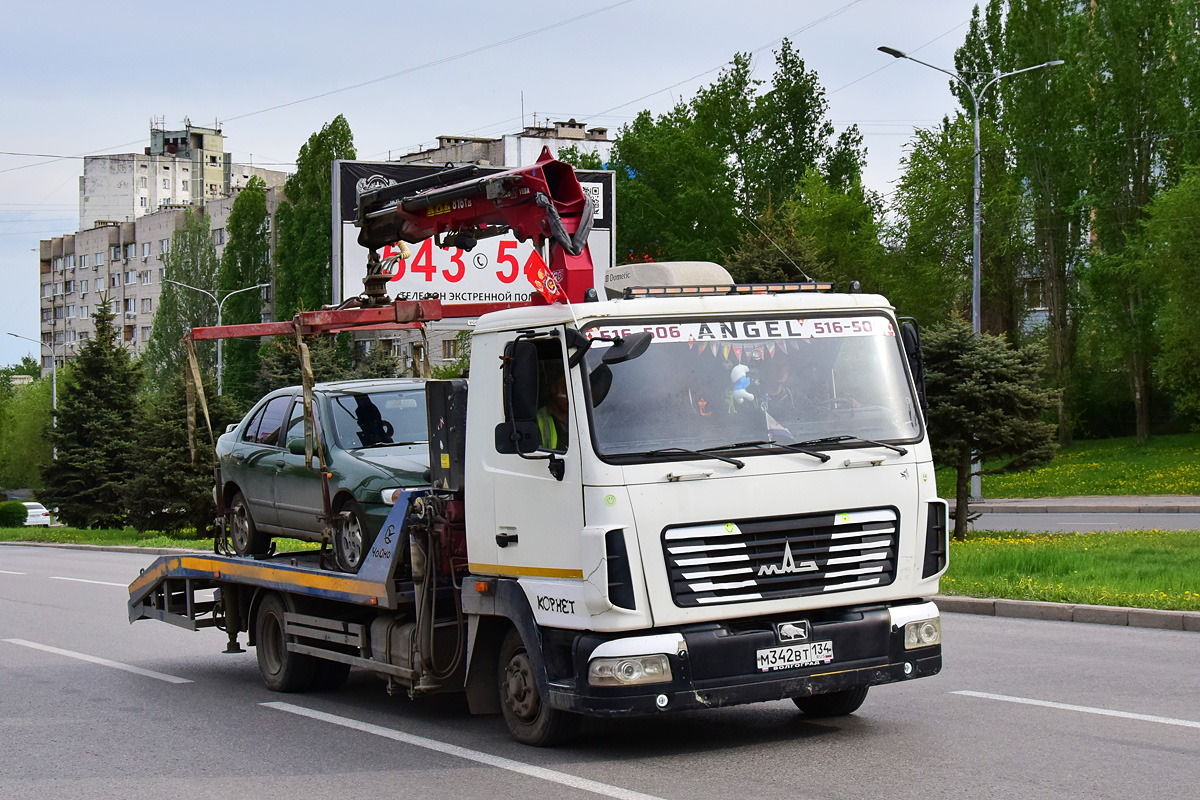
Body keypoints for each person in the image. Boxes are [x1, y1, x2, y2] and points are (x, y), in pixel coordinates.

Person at [536, 370, 569, 451]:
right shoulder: (537, 420)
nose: (571, 397)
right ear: (554, 388)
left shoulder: (584, 417)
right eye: (567, 390)